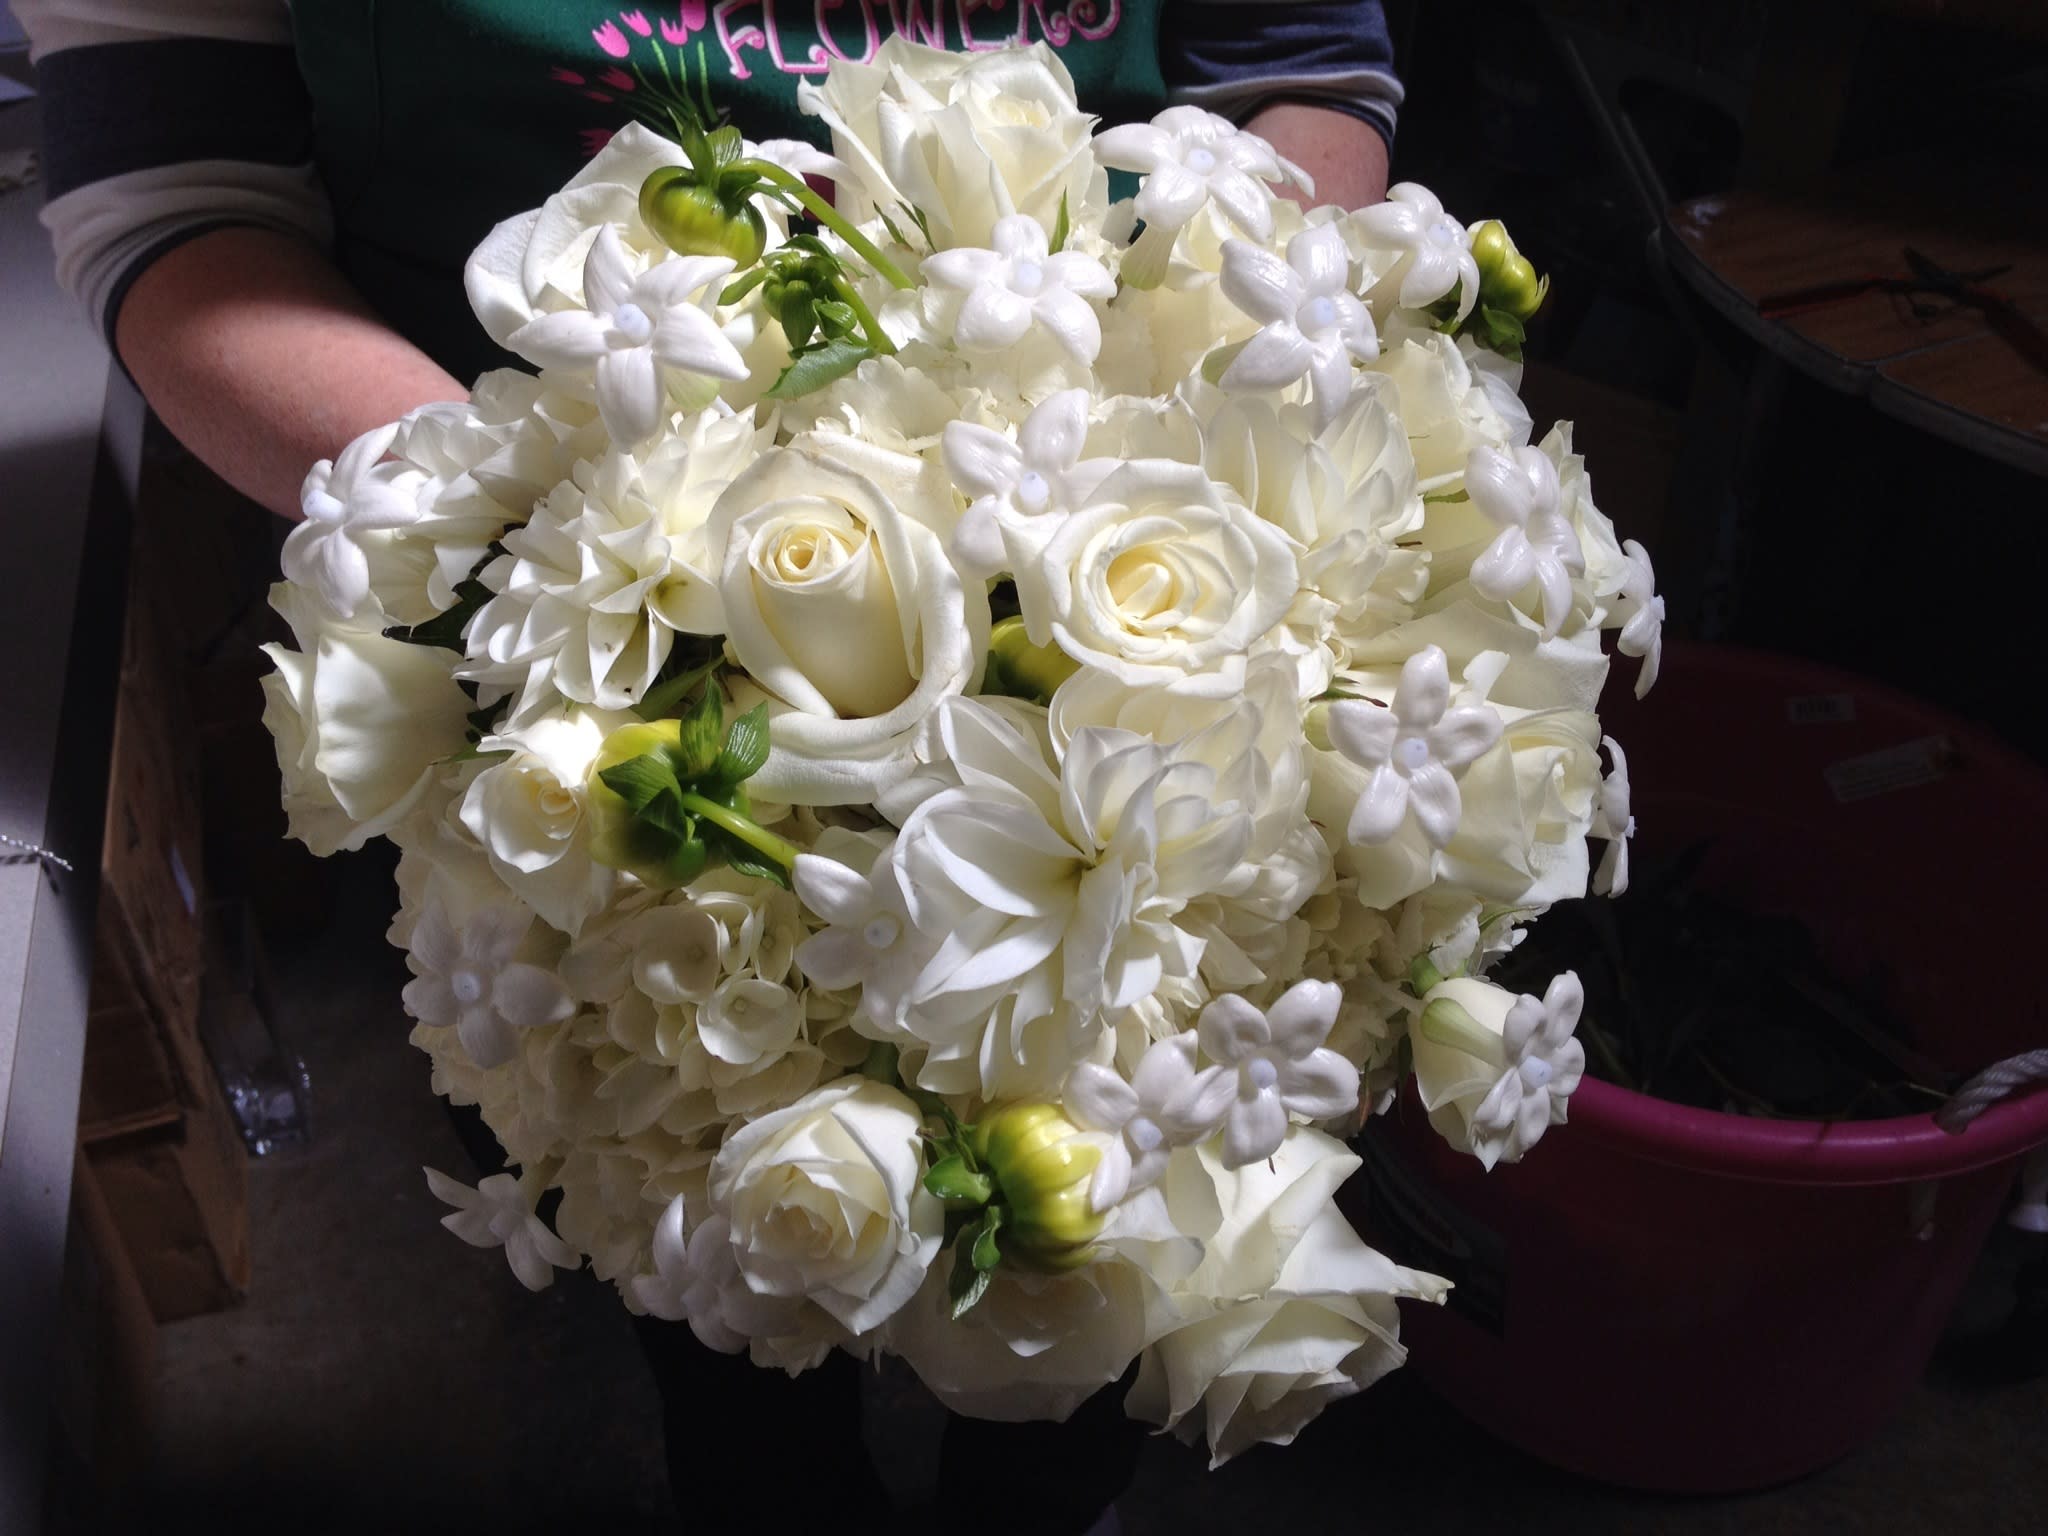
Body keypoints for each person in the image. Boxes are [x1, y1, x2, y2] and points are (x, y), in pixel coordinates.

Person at [19, 3, 1403, 1529]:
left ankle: (1048, 1481)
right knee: (696, 1190)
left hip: (1126, 525)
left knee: (1118, 1218)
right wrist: (558, 560)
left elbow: (1298, 69)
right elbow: (178, 183)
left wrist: (1195, 383)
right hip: (554, 605)